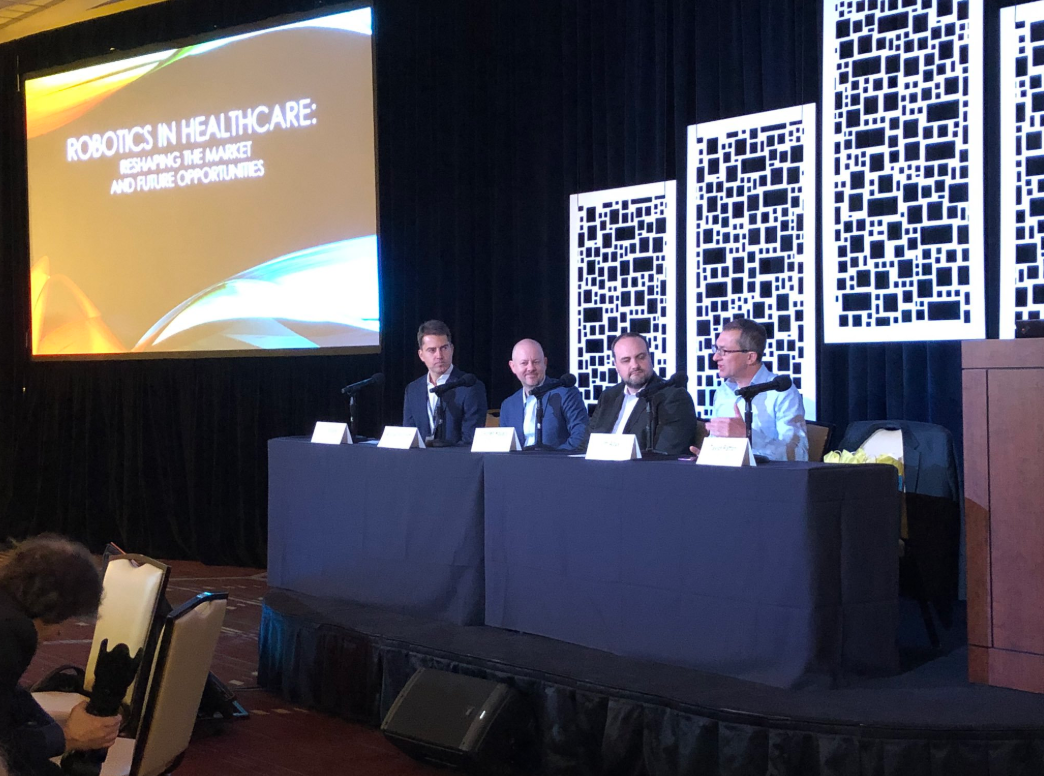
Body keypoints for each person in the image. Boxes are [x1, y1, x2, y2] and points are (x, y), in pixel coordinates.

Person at [0, 535, 122, 776]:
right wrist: (69, 737)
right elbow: (6, 748)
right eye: (65, 619)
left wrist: (53, 727)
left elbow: (9, 694)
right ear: (55, 607)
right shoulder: (13, 631)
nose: (59, 633)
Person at [697, 318, 808, 461]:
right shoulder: (723, 391)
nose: (715, 357)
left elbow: (799, 455)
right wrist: (708, 456)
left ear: (750, 357)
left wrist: (748, 435)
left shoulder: (781, 391)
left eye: (724, 351)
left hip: (767, 474)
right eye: (716, 349)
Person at [582, 332, 697, 456]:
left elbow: (665, 455)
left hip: (639, 468)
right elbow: (585, 446)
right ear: (616, 365)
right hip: (597, 466)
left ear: (650, 358)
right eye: (626, 360)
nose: (635, 365)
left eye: (641, 357)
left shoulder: (674, 397)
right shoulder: (608, 396)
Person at [402, 320, 487, 445]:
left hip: (457, 456)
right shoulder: (413, 390)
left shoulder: (470, 387)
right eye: (432, 350)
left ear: (452, 349)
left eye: (444, 348)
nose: (439, 355)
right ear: (421, 355)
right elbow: (409, 437)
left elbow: (470, 440)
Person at [499, 339, 588, 451]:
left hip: (556, 461)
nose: (530, 368)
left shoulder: (566, 393)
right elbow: (504, 447)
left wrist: (552, 458)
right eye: (524, 363)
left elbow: (581, 436)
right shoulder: (508, 405)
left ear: (545, 363)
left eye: (536, 362)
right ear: (513, 367)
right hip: (518, 462)